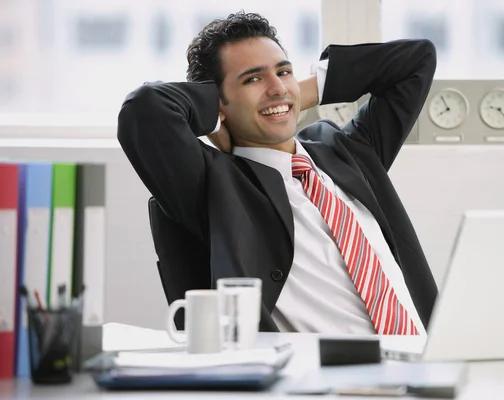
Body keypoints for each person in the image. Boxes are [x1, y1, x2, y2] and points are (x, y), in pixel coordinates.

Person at [117, 11, 438, 336]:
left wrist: (292, 95)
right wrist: (219, 115)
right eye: (252, 79)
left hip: (428, 360)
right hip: (326, 378)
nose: (276, 87)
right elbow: (143, 110)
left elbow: (416, 60)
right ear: (218, 101)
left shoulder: (349, 152)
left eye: (284, 71)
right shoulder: (216, 184)